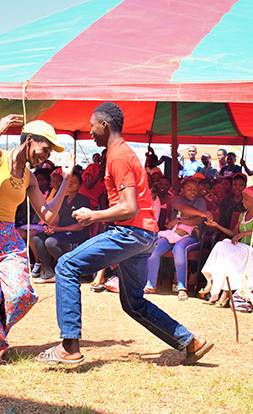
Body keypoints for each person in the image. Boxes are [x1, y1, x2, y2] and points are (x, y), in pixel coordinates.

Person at [40, 102, 213, 366]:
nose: (90, 132)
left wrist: (93, 215)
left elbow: (128, 207)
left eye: (93, 126)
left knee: (66, 265)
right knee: (133, 303)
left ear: (105, 125)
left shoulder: (118, 156)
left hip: (130, 232)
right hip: (144, 236)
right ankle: (191, 342)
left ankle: (69, 347)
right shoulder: (121, 153)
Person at [0, 114, 70, 364]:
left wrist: (65, 182)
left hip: (8, 235)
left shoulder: (30, 178)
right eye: (44, 149)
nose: (46, 156)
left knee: (21, 293)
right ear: (29, 140)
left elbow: (48, 215)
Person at [201, 185, 253, 307]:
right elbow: (233, 233)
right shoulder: (242, 215)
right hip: (240, 248)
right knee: (221, 245)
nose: (243, 201)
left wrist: (243, 233)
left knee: (229, 256)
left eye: (246, 199)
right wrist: (217, 225)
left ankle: (225, 293)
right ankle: (211, 281)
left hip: (252, 249)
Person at [144, 178, 210, 301]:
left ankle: (181, 288)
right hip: (173, 232)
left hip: (191, 236)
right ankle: (151, 285)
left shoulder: (201, 201)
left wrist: (179, 220)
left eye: (195, 189)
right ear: (182, 190)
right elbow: (183, 209)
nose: (193, 192)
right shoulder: (176, 199)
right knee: (154, 249)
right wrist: (201, 213)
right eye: (189, 189)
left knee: (179, 248)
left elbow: (198, 220)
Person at [32, 172, 91, 283]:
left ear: (79, 185)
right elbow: (56, 220)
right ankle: (49, 273)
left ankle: (69, 269)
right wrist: (50, 227)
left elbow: (80, 226)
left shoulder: (83, 200)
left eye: (74, 182)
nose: (71, 184)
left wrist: (58, 229)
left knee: (50, 242)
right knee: (37, 238)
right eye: (69, 181)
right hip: (61, 232)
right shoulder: (62, 200)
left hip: (76, 233)